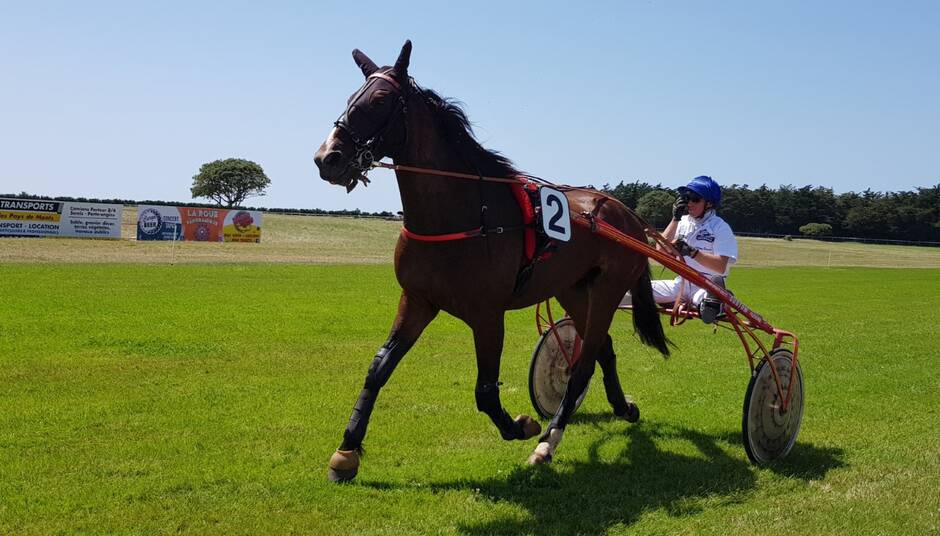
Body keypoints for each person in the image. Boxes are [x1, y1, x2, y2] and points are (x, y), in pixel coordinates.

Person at [621, 175, 738, 323]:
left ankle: (716, 302)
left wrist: (692, 252)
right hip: (680, 284)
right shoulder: (681, 223)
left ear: (709, 204)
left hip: (707, 284)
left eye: (695, 199)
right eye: (686, 198)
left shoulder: (720, 227)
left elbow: (720, 267)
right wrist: (675, 218)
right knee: (629, 289)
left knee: (704, 300)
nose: (689, 203)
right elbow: (660, 251)